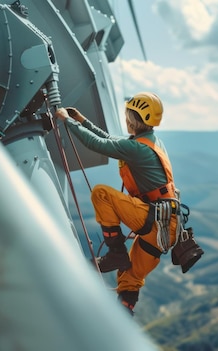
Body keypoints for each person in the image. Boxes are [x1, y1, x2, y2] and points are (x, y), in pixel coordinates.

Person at [54, 92, 179, 315]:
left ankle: (116, 252)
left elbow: (98, 144)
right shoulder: (150, 142)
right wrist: (82, 121)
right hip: (166, 226)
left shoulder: (137, 148)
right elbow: (112, 140)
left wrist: (66, 121)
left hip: (153, 219)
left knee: (102, 193)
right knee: (129, 278)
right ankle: (123, 317)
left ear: (133, 117)